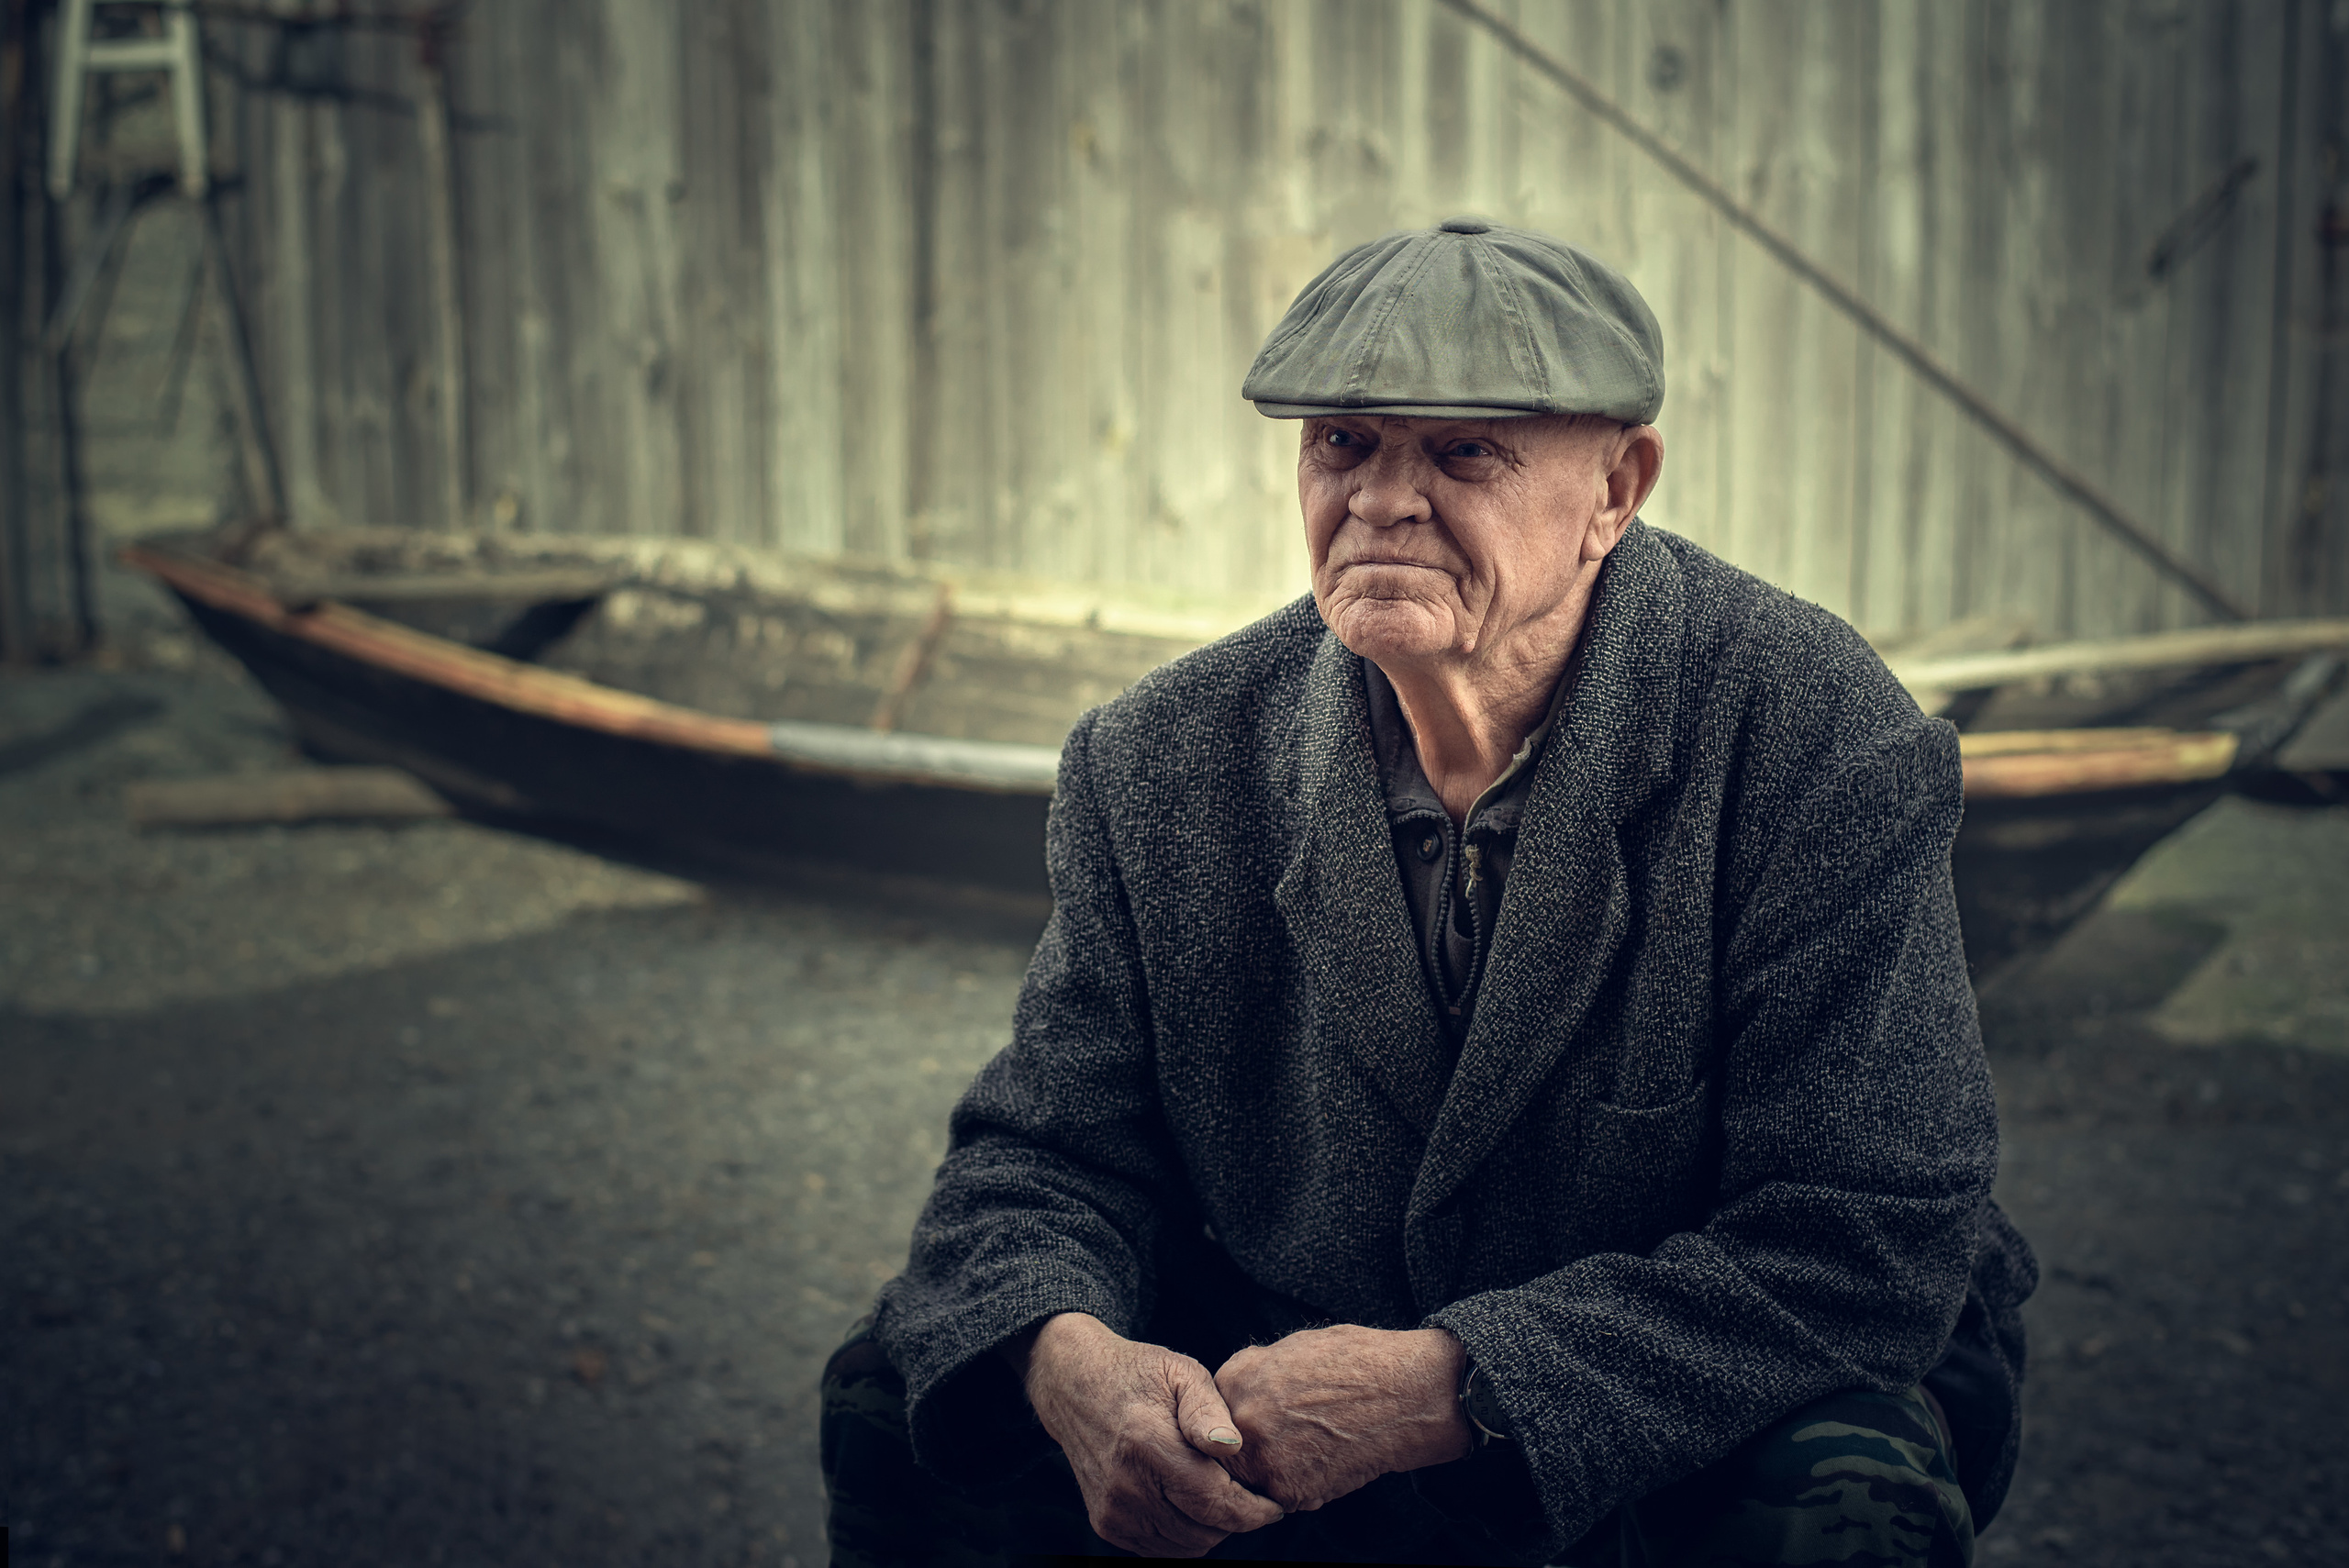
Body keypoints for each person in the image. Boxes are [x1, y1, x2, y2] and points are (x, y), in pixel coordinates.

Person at [820, 218, 2034, 1566]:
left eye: (1464, 450)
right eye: (1343, 442)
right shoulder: (1160, 759)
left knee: (1842, 1503)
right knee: (921, 1381)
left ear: (1617, 490)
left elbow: (1869, 1235)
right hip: (1298, 1338)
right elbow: (1042, 1154)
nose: (1384, 498)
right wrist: (1065, 1353)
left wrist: (1462, 1384)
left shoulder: (1812, 734)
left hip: (1685, 1364)